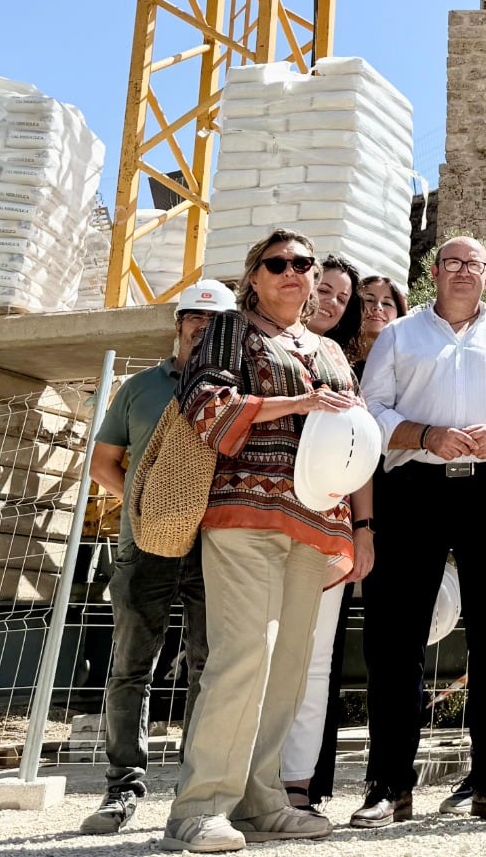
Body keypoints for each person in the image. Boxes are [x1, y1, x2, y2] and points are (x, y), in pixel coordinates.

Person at [160, 230, 362, 852]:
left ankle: (260, 799)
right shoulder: (229, 329)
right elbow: (205, 406)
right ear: (254, 276)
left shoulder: (328, 348)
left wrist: (360, 525)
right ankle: (199, 809)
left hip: (315, 519)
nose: (294, 273)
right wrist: (297, 402)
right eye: (279, 264)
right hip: (243, 514)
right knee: (245, 653)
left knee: (289, 665)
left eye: (304, 264)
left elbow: (352, 435)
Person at [354, 237, 486, 826]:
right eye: (452, 263)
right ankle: (389, 785)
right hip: (413, 492)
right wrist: (425, 436)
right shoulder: (398, 335)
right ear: (434, 272)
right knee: (400, 642)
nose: (463, 272)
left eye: (473, 265)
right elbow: (372, 411)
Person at [80, 280, 236, 835]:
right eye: (195, 317)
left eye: (216, 321)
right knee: (130, 668)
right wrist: (153, 508)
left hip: (214, 549)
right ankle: (122, 789)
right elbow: (104, 463)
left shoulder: (233, 390)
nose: (203, 327)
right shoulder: (141, 388)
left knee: (208, 669)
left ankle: (193, 795)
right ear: (179, 321)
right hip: (141, 547)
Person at [278, 258, 379, 818]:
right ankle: (247, 780)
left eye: (345, 297)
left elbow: (360, 454)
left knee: (316, 661)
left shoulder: (340, 364)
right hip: (262, 523)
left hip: (327, 527)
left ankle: (297, 783)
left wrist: (363, 529)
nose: (333, 302)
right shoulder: (256, 346)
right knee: (258, 654)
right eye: (328, 290)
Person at [349, 275, 409, 379]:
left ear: (398, 314)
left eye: (387, 303)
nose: (377, 307)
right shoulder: (334, 353)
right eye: (369, 300)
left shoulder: (406, 365)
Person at [309, 254, 362, 358]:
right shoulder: (270, 341)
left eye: (341, 299)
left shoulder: (340, 363)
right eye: (324, 291)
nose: (333, 301)